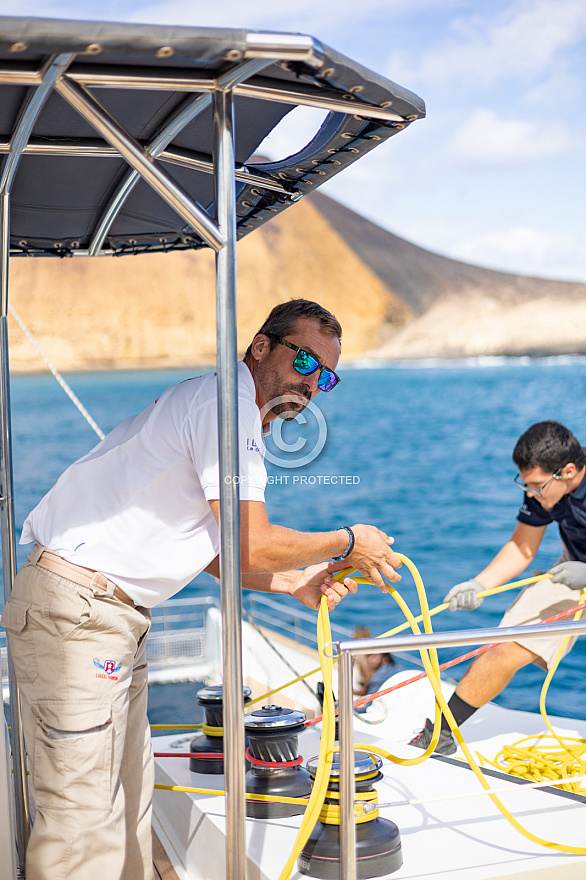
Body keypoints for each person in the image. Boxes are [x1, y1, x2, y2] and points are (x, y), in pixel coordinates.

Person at [1, 298, 402, 880]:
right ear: (261, 348)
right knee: (83, 821)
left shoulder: (231, 411)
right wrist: (347, 542)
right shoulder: (227, 406)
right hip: (80, 615)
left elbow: (217, 547)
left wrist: (293, 584)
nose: (314, 383)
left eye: (328, 376)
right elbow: (250, 540)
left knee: (130, 800)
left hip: (109, 618)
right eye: (306, 363)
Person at [409, 420, 586, 756]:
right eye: (526, 484)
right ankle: (441, 735)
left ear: (568, 471)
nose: (530, 492)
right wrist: (479, 584)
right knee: (505, 646)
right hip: (572, 568)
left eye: (536, 486)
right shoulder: (542, 488)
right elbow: (522, 548)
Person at [352, 625, 395, 703]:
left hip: (367, 696)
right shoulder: (364, 658)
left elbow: (367, 689)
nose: (371, 659)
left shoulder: (362, 659)